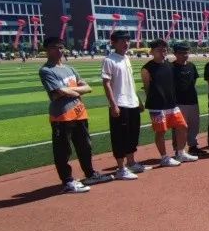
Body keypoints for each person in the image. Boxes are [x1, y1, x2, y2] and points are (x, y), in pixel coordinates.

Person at [40, 36, 113, 193]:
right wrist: (72, 90)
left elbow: (87, 88)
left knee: (85, 146)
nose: (59, 50)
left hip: (79, 113)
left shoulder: (70, 69)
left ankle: (90, 174)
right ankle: (67, 181)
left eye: (61, 47)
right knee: (63, 150)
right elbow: (59, 91)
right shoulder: (46, 70)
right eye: (54, 47)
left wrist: (70, 91)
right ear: (46, 49)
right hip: (61, 116)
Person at [141, 39, 198, 167]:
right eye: (159, 50)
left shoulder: (170, 65)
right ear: (152, 52)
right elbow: (147, 87)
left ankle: (180, 153)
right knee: (161, 132)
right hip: (157, 106)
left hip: (172, 104)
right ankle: (164, 157)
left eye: (164, 50)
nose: (162, 52)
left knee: (182, 126)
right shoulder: (147, 68)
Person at [101, 30, 145, 180]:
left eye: (127, 40)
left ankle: (131, 162)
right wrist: (113, 105)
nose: (126, 43)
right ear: (113, 43)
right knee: (120, 136)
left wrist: (138, 99)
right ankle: (121, 168)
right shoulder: (109, 60)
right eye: (122, 41)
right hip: (120, 103)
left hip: (132, 102)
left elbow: (130, 82)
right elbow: (106, 83)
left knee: (133, 134)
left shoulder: (126, 58)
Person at [171, 43, 202, 155]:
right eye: (181, 53)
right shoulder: (171, 67)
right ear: (175, 54)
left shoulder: (191, 66)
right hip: (178, 102)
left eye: (186, 52)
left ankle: (193, 146)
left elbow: (193, 81)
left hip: (192, 100)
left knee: (194, 125)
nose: (184, 55)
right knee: (179, 127)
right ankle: (178, 150)